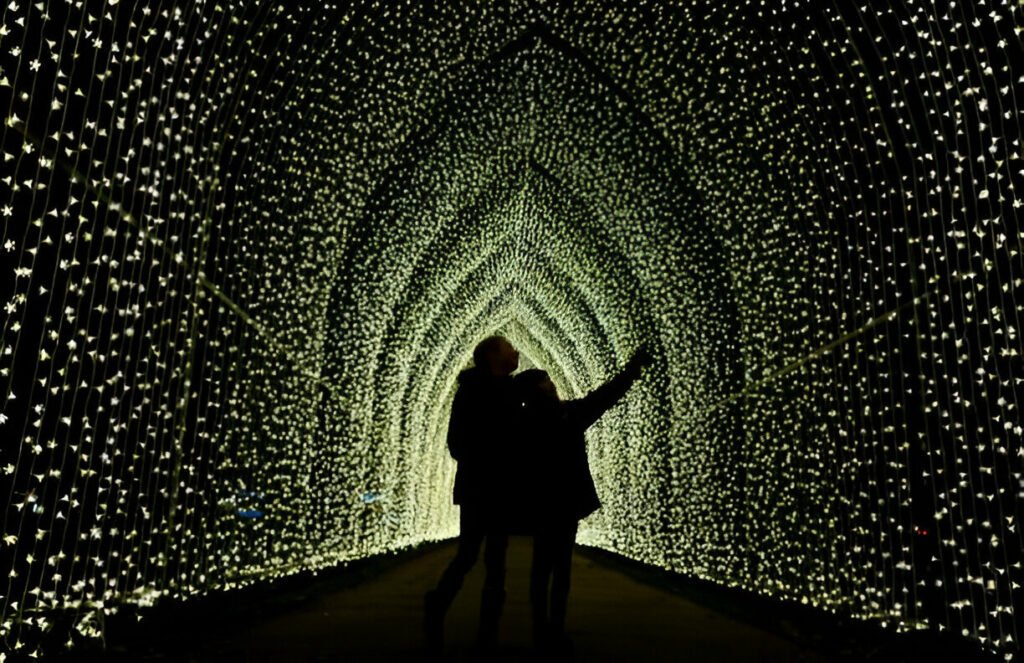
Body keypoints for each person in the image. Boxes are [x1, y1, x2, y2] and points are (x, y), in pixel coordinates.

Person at [513, 346, 652, 656]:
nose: (552, 385)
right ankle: (555, 629)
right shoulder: (566, 416)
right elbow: (603, 398)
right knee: (560, 567)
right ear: (540, 389)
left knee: (542, 566)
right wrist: (631, 372)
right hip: (564, 502)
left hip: (540, 503)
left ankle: (541, 629)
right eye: (547, 382)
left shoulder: (522, 422)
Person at [424, 335, 520, 653]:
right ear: (493, 356)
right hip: (480, 487)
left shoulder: (510, 391)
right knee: (468, 555)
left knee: (496, 561)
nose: (515, 353)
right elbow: (456, 442)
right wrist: (487, 460)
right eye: (509, 349)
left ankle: (487, 633)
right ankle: (436, 607)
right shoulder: (470, 392)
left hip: (500, 488)